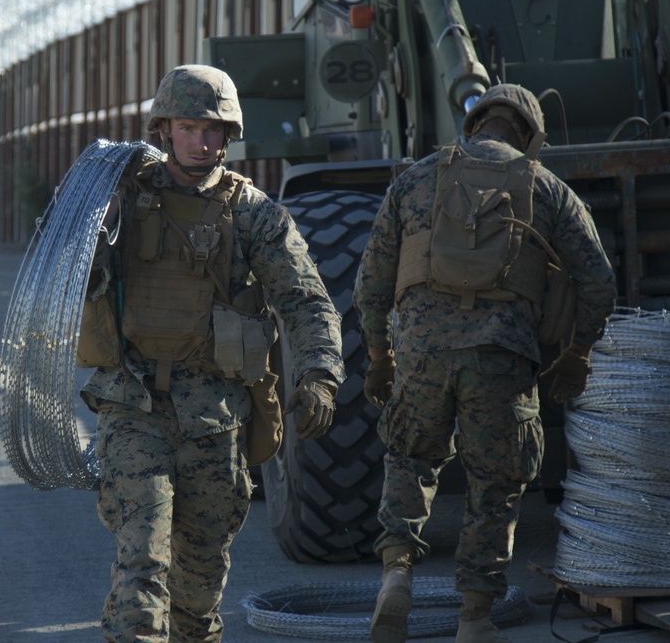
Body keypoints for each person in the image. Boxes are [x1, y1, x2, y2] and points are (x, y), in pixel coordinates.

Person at [79, 64, 345, 643]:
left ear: (230, 135)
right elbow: (67, 270)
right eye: (189, 126)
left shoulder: (251, 213)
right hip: (134, 405)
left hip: (217, 415)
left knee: (197, 597)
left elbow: (305, 299)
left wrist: (322, 373)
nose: (202, 141)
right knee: (142, 565)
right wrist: (101, 212)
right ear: (165, 128)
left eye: (214, 129)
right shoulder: (119, 199)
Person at [352, 83, 617, 643]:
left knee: (410, 458)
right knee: (495, 484)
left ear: (475, 125)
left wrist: (380, 356)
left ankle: (396, 576)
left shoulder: (416, 177)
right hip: (501, 356)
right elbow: (598, 279)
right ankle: (474, 618)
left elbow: (371, 282)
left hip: (421, 353)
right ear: (530, 136)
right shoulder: (546, 186)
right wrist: (578, 352)